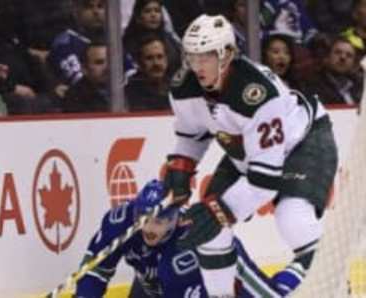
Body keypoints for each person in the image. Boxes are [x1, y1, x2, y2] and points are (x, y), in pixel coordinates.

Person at [162, 14, 338, 296]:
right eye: (192, 56)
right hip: (248, 151)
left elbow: (264, 181)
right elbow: (191, 135)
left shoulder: (257, 93)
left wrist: (222, 210)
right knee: (210, 230)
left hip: (302, 142)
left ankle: (336, 282)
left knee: (292, 218)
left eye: (206, 56)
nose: (197, 66)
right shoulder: (184, 86)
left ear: (228, 54)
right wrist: (181, 166)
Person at [75, 180, 300, 298]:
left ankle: (301, 268)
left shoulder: (187, 247)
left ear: (174, 220)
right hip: (154, 285)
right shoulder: (120, 222)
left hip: (224, 273)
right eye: (144, 219)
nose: (149, 228)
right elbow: (96, 270)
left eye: (159, 222)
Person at [306, 36, 363, 105]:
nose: (343, 57)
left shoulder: (359, 85)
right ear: (327, 57)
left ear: (353, 63)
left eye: (349, 55)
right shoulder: (314, 84)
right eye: (337, 52)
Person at [125, 34, 171, 111]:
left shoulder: (176, 89)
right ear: (139, 62)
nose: (156, 63)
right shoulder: (129, 95)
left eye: (160, 57)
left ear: (166, 59)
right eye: (149, 58)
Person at [61, 41, 109, 113]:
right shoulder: (75, 97)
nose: (108, 67)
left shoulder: (128, 89)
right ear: (84, 68)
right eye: (99, 62)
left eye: (112, 61)